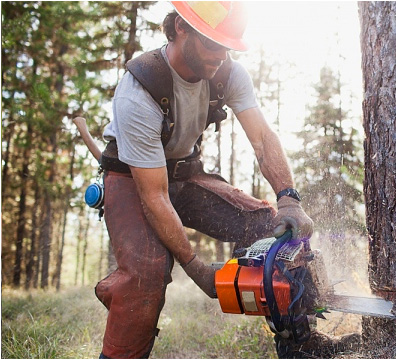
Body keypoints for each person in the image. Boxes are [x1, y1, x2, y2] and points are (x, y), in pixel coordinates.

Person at [95, 2, 316, 358]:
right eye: (212, 44)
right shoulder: (140, 90)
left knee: (271, 227)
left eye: (227, 46)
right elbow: (154, 197)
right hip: (132, 179)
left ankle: (302, 342)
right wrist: (195, 267)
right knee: (147, 273)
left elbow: (261, 138)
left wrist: (288, 198)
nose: (220, 55)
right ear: (181, 27)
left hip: (185, 172)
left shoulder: (228, 73)